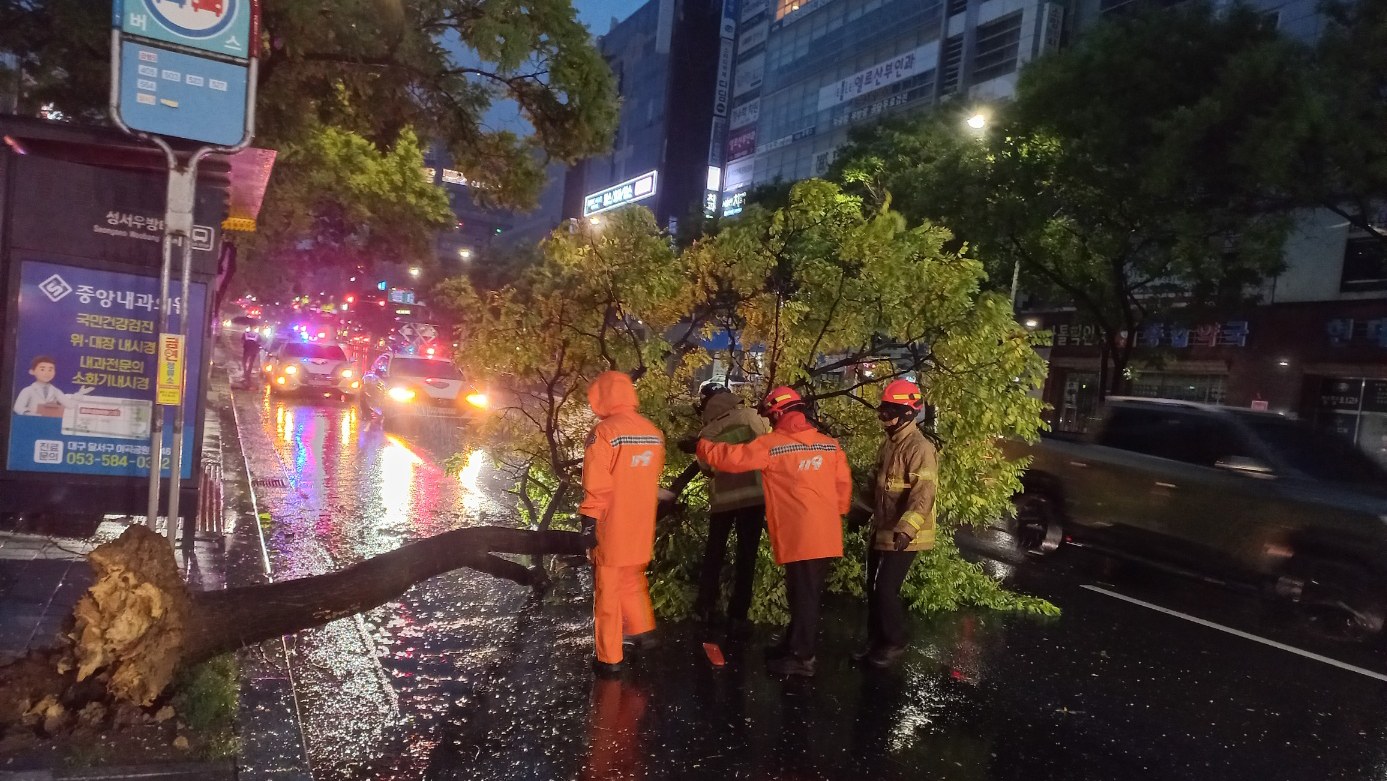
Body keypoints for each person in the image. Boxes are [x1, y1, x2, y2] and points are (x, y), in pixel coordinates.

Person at [695, 386, 851, 678]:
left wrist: (702, 446)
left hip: (799, 533)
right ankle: (792, 646)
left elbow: (732, 459)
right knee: (804, 592)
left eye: (771, 415)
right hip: (825, 532)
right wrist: (834, 514)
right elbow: (843, 487)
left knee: (803, 596)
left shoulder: (774, 445)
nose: (770, 420)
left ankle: (802, 657)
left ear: (779, 412)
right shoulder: (829, 445)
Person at [579, 370, 666, 677]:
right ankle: (643, 632)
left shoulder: (604, 432)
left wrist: (588, 524)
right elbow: (648, 478)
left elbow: (597, 484)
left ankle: (609, 659)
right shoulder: (652, 432)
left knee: (608, 595)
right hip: (641, 525)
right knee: (633, 580)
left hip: (612, 525)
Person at [853, 379, 938, 668]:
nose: (884, 416)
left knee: (886, 589)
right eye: (883, 410)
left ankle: (894, 641)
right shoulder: (890, 444)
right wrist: (860, 513)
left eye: (890, 411)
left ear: (908, 414)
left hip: (904, 534)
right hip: (883, 528)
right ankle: (876, 641)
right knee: (872, 587)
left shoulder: (919, 448)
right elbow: (874, 485)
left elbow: (923, 494)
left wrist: (907, 529)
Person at [692, 387, 770, 630]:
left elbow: (705, 467)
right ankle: (738, 615)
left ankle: (705, 607)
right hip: (754, 498)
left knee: (714, 553)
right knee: (746, 557)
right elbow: (766, 447)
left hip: (723, 500)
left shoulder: (707, 431)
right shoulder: (750, 416)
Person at [12, 355, 93, 416]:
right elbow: (18, 407)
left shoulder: (55, 391)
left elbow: (69, 405)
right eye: (42, 369)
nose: (47, 373)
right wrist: (31, 414)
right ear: (32, 371)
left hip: (50, 423)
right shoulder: (28, 390)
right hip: (31, 422)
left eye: (50, 369)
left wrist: (80, 393)